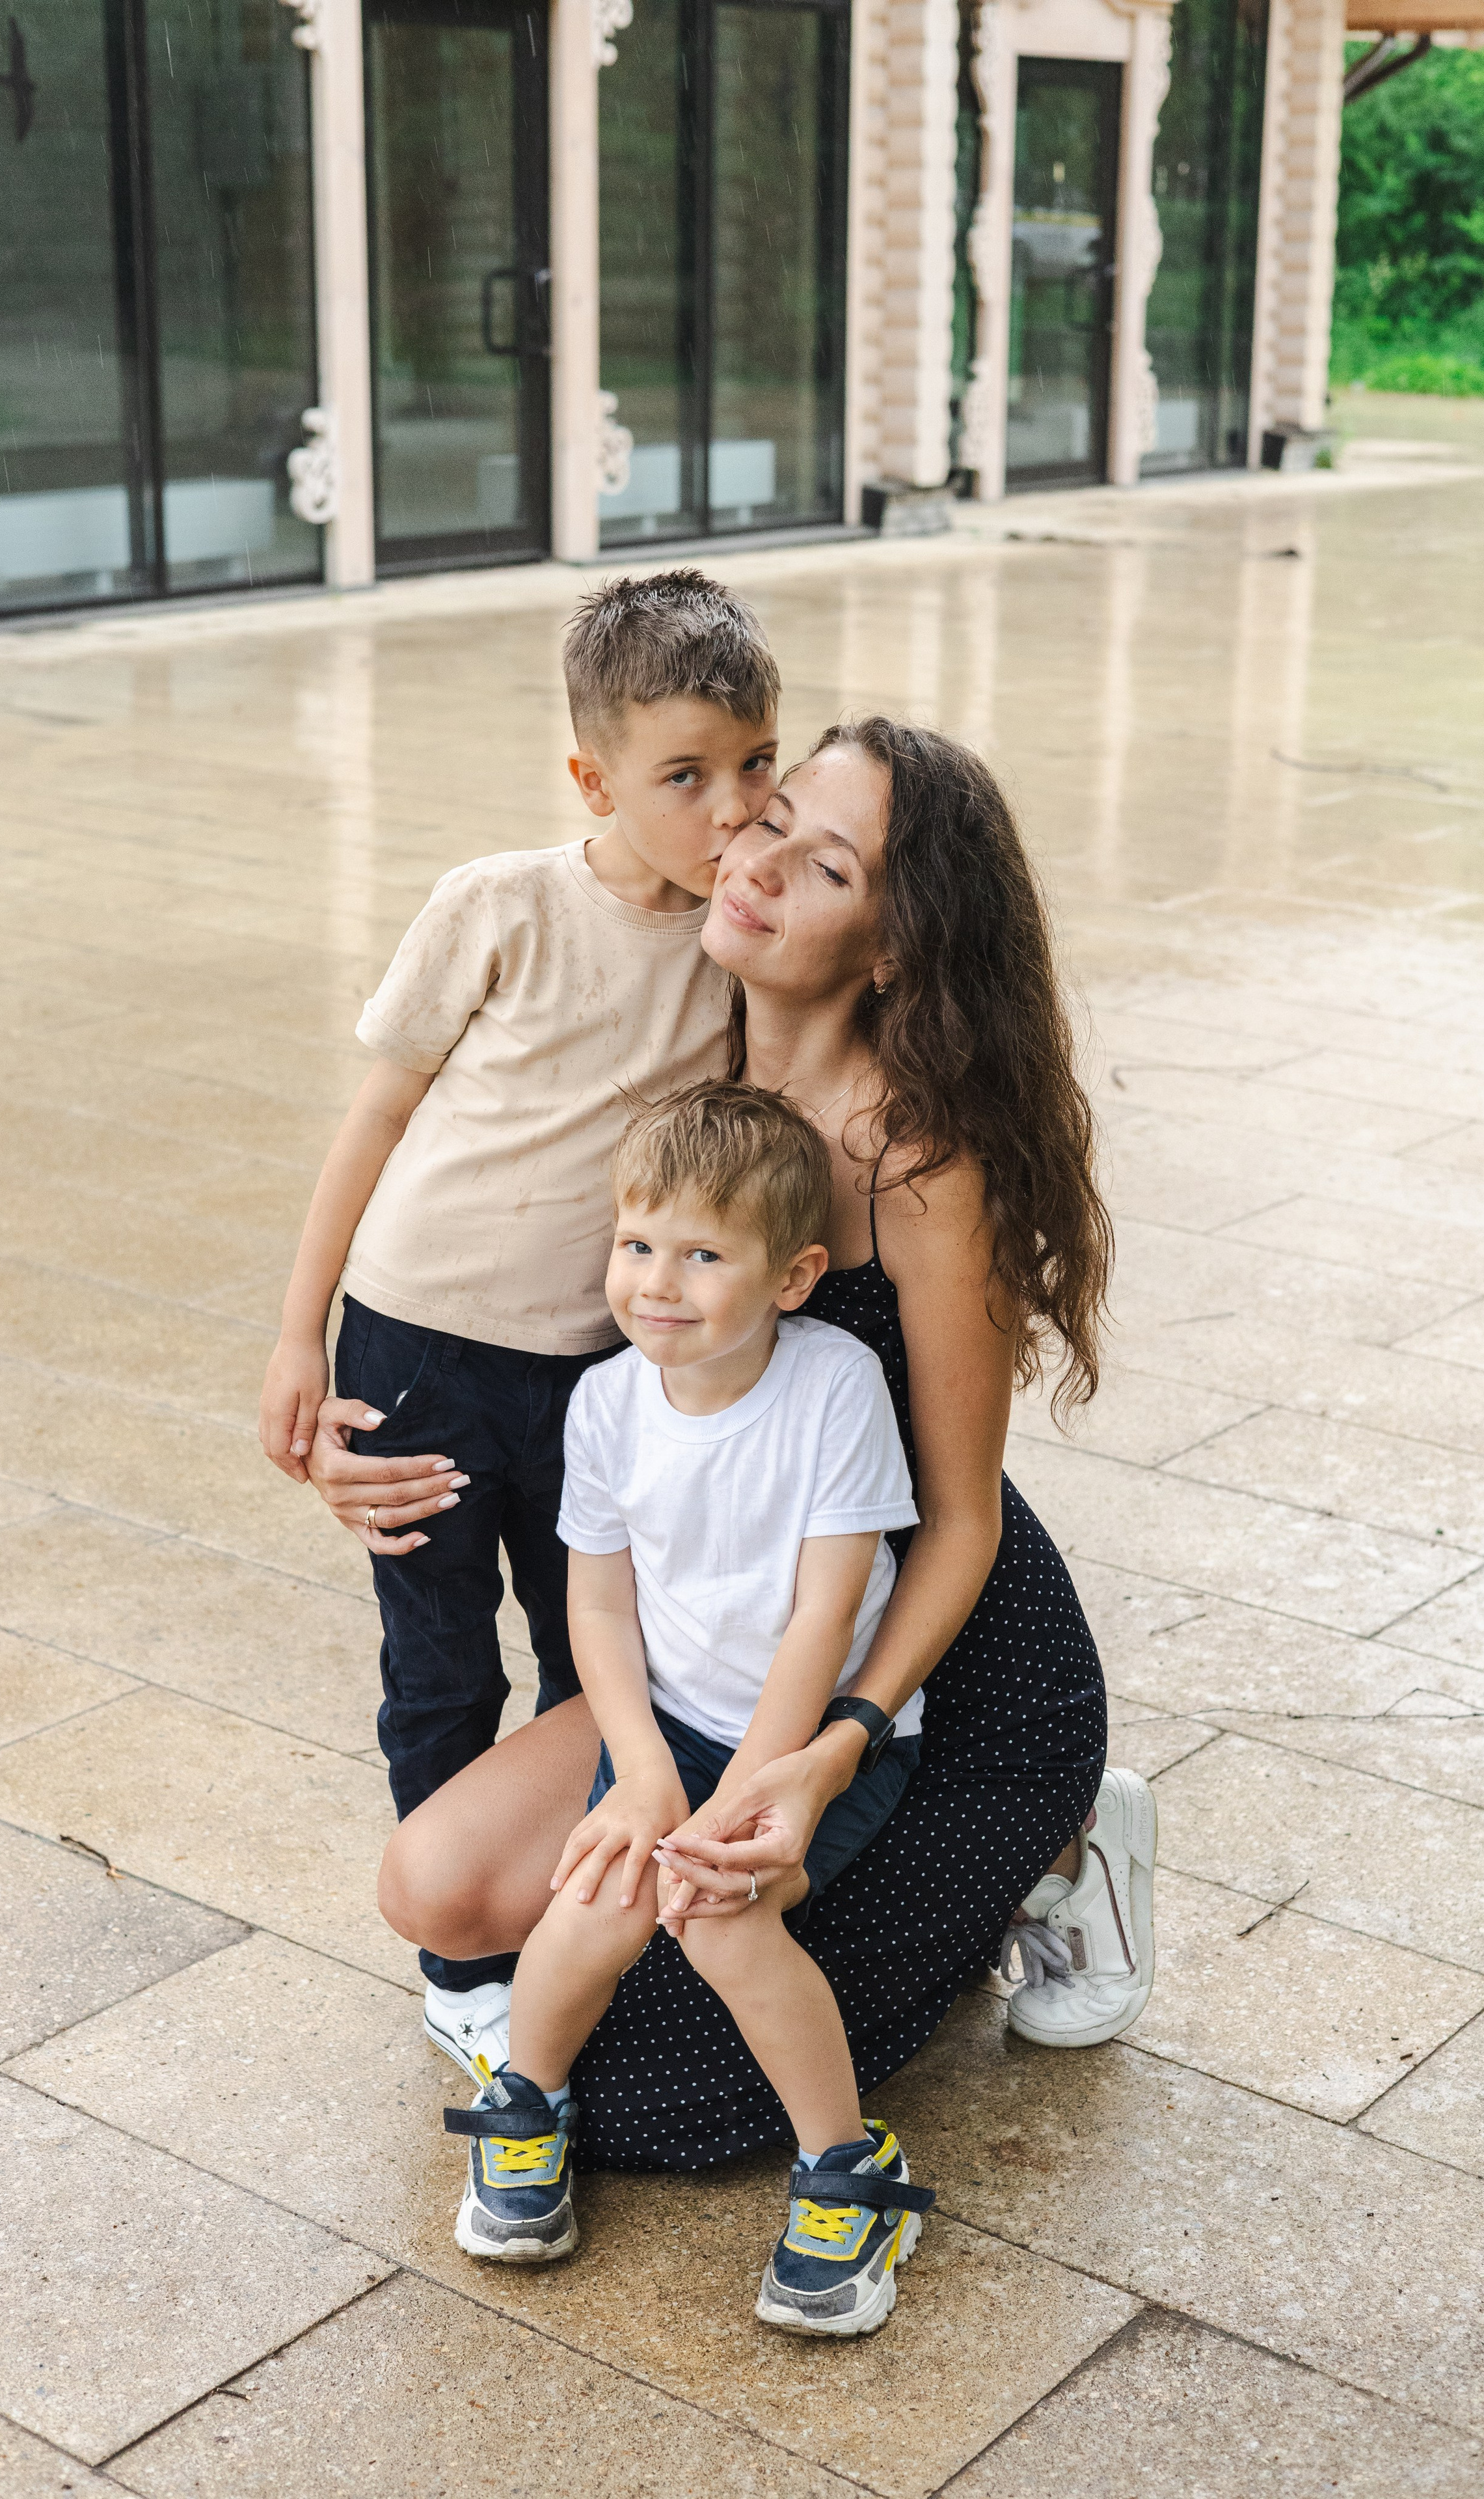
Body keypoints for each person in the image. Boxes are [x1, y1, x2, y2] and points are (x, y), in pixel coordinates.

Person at [375, 715, 1154, 2174]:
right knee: (439, 1889)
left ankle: (1064, 1843)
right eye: (770, 819)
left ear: (893, 950)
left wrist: (825, 1750)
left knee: (662, 2108)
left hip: (929, 1671)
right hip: (720, 1626)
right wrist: (372, 1418)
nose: (759, 868)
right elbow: (451, 1190)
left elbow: (963, 1517)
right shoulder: (676, 1014)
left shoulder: (918, 1158)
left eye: (827, 865)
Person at [257, 570, 779, 2083]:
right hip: (418, 1342)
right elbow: (372, 1124)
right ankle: (458, 1964)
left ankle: (572, 1913)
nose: (726, 804)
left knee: (588, 1658)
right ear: (592, 776)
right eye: (681, 775)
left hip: (605, 1373)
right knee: (438, 1669)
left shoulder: (730, 943)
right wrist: (300, 1338)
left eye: (752, 764)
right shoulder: (499, 903)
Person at [448, 1081, 936, 2338]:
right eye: (638, 1244)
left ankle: (849, 2170)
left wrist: (735, 1799)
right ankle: (528, 2105)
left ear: (792, 1275)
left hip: (811, 1741)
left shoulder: (834, 1387)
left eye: (704, 1254)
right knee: (597, 1900)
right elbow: (595, 1615)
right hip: (673, 1732)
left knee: (717, 1921)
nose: (658, 1283)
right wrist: (646, 1773)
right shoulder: (607, 1404)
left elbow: (825, 1620)